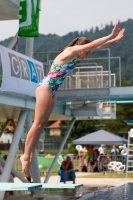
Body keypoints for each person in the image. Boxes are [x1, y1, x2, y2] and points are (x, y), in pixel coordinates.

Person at [20, 21, 125, 177]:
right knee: (37, 123)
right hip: (46, 86)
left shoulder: (76, 56)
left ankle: (29, 155)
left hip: (53, 90)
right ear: (81, 47)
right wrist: (110, 34)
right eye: (87, 52)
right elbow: (93, 45)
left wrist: (113, 40)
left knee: (41, 125)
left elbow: (96, 46)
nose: (88, 55)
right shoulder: (71, 50)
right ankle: (25, 157)